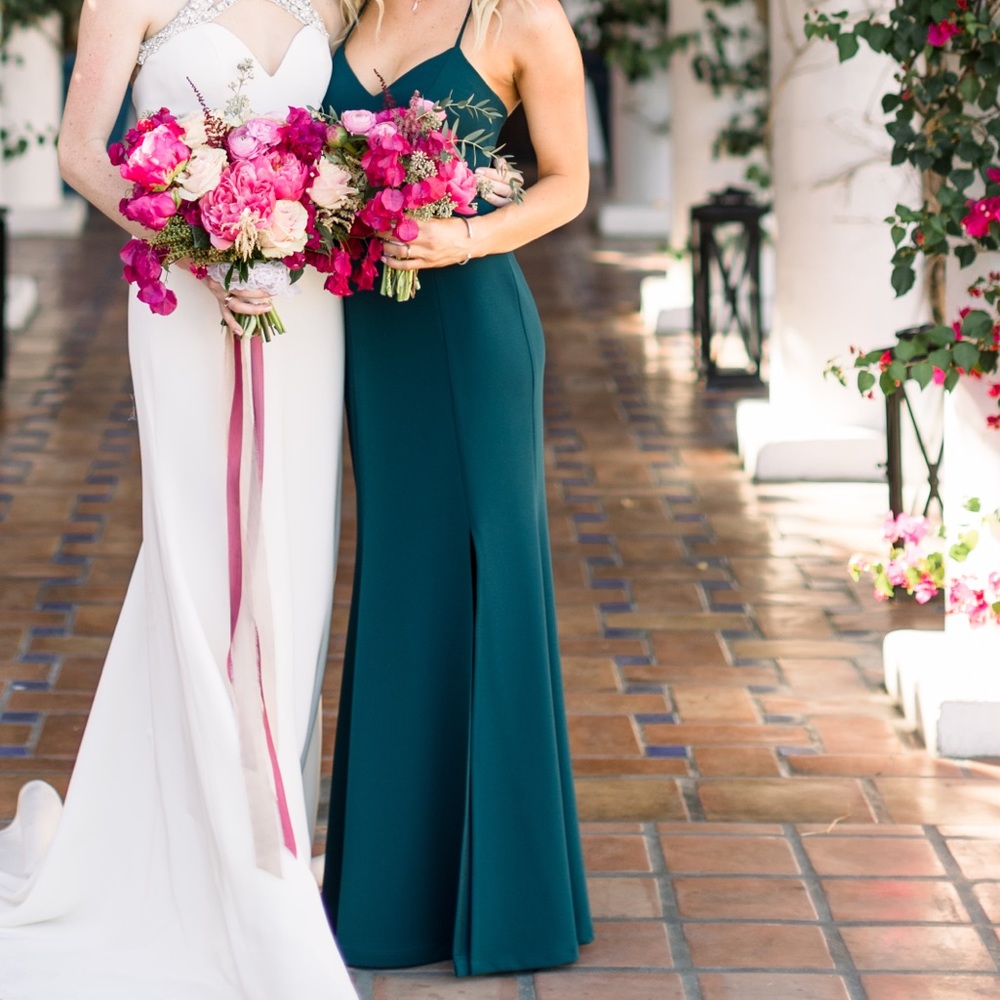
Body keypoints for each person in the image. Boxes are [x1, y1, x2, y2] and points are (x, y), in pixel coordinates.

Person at [0, 2, 357, 997]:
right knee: (202, 558)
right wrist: (202, 247)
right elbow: (81, 152)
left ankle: (269, 841)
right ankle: (215, 871)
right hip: (188, 298)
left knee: (296, 559)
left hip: (301, 301)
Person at [321, 0, 595, 976]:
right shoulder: (338, 13)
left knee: (491, 586)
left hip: (474, 326)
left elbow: (568, 185)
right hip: (372, 337)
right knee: (401, 585)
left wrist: (467, 237)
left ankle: (513, 904)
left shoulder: (519, 16)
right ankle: (391, 898)